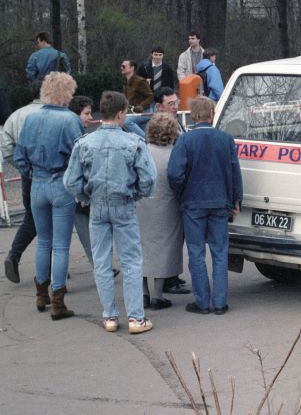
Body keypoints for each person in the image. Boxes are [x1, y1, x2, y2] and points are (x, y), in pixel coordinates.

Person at [63, 91, 156, 333]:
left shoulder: (84, 143)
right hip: (123, 203)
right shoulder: (133, 143)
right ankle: (136, 317)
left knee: (101, 261)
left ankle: (110, 316)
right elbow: (149, 179)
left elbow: (70, 181)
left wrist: (85, 197)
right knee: (131, 261)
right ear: (120, 113)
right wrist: (135, 193)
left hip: (97, 206)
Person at [12, 72, 84, 318]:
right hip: (60, 182)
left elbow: (18, 155)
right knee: (61, 245)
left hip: (37, 182)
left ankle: (41, 294)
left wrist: (31, 173)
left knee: (43, 240)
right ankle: (58, 302)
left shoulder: (31, 118)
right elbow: (80, 156)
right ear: (67, 93)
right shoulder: (71, 120)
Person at [167, 96, 243, 315]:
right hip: (220, 202)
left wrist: (182, 193)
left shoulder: (185, 141)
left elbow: (174, 173)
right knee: (220, 253)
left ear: (193, 116)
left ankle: (202, 302)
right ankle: (220, 303)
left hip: (193, 203)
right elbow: (234, 171)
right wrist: (237, 198)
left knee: (196, 252)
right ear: (211, 114)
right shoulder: (226, 139)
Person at [137, 113, 185, 310]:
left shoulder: (142, 151)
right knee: (164, 249)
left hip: (141, 205)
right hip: (167, 206)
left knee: (140, 249)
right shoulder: (174, 153)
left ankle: (143, 294)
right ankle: (158, 295)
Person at [2, 80, 43, 284]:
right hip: (50, 174)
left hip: (28, 174)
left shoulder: (17, 115)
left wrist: (22, 167)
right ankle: (51, 268)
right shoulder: (54, 113)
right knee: (55, 220)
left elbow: (6, 145)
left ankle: (14, 255)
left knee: (32, 217)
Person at [67, 95, 97, 268]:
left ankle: (54, 271)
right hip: (76, 193)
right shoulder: (78, 138)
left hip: (67, 191)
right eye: (87, 113)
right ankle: (100, 266)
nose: (91, 117)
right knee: (86, 231)